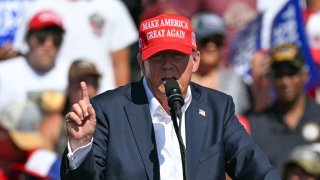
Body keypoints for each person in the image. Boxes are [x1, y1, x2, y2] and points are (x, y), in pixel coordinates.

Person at [61, 14, 280, 179]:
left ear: (195, 60)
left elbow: (257, 170)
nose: (167, 65)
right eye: (157, 57)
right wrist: (81, 146)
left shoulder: (217, 108)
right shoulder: (107, 110)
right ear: (140, 62)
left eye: (177, 55)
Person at [13, 0, 138, 93]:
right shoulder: (39, 6)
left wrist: (122, 103)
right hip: (55, 97)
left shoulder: (112, 6)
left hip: (103, 97)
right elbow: (23, 54)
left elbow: (120, 62)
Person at [249, 43, 320, 174]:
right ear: (271, 78)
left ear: (304, 76)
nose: (285, 82)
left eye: (291, 73)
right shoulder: (257, 125)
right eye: (279, 75)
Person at [0, 10, 67, 111]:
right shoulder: (3, 73)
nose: (48, 44)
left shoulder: (70, 74)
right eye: (41, 37)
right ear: (28, 38)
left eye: (56, 38)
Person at [191, 12, 251, 115]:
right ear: (194, 42)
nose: (211, 46)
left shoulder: (234, 81)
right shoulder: (182, 79)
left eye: (217, 41)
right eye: (205, 40)